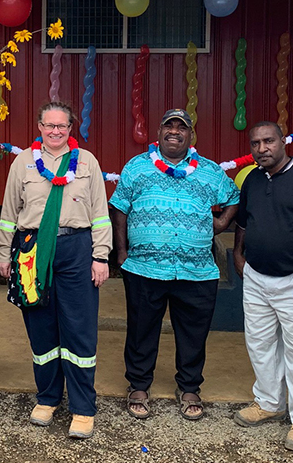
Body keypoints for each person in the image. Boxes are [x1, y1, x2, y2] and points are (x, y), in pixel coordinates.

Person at [109, 108, 239, 422]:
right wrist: (122, 251)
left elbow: (233, 197)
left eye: (181, 128)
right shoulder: (137, 167)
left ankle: (190, 387)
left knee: (193, 332)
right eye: (169, 126)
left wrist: (219, 224)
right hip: (143, 267)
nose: (175, 132)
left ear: (190, 135)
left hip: (196, 271)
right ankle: (139, 385)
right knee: (141, 329)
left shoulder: (209, 171)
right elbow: (119, 208)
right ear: (159, 133)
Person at [0, 101, 112, 439]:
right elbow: (10, 212)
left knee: (78, 328)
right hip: (32, 251)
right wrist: (4, 253)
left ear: (70, 128)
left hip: (77, 248)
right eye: (50, 125)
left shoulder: (87, 162)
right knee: (41, 326)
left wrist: (100, 256)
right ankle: (47, 398)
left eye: (62, 126)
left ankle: (82, 407)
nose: (56, 131)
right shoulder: (23, 162)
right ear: (40, 127)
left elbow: (100, 214)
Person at [231, 121, 293, 453]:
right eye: (256, 143)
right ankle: (268, 401)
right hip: (257, 278)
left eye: (269, 141)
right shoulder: (253, 180)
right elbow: (244, 222)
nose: (262, 149)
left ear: (283, 142)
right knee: (259, 344)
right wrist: (237, 253)